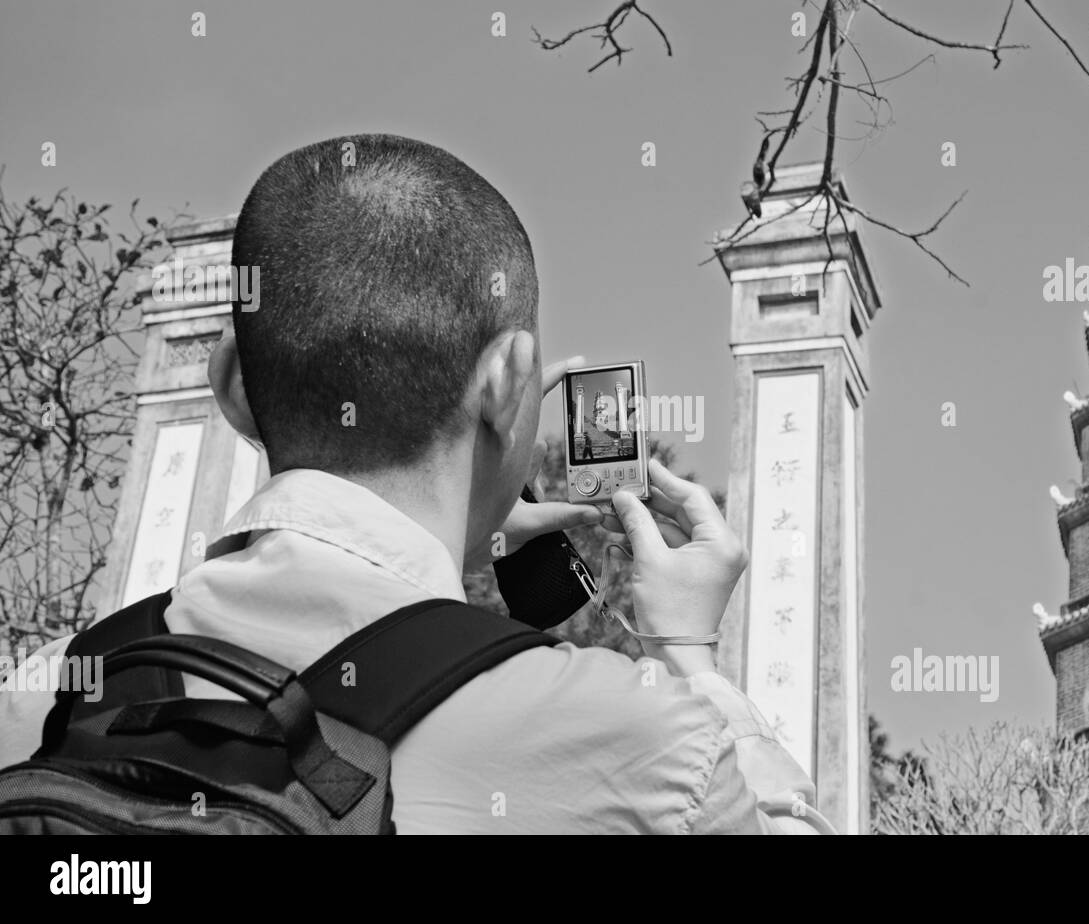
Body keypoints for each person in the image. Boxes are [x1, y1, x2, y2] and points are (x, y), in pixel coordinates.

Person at [0, 134, 833, 834]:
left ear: (231, 387)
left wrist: (463, 544)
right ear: (511, 384)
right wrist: (689, 655)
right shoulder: (640, 746)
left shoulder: (45, 699)